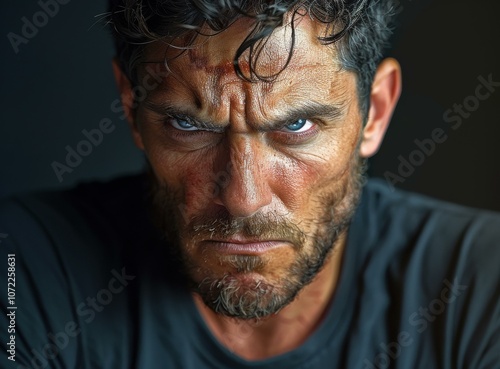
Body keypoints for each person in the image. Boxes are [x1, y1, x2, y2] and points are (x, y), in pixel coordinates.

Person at [1, 1, 499, 368]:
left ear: (376, 112)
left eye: (297, 127)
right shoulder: (22, 267)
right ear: (132, 108)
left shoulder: (482, 282)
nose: (243, 198)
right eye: (189, 126)